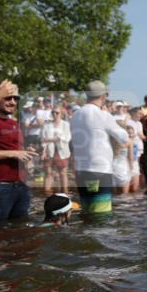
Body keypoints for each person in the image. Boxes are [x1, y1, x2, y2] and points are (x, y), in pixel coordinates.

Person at [69, 81, 127, 216]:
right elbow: (123, 137)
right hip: (100, 171)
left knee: (87, 212)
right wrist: (109, 117)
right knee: (101, 215)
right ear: (103, 96)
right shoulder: (103, 115)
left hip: (81, 171)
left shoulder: (75, 115)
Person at [0, 80, 33, 222]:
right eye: (8, 97)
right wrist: (13, 153)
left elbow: (17, 151)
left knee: (20, 230)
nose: (13, 102)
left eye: (16, 98)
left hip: (21, 186)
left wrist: (26, 152)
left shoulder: (14, 123)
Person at [40, 106, 72, 195]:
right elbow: (43, 140)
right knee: (48, 173)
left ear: (61, 114)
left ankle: (65, 193)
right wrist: (44, 150)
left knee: (63, 173)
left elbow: (67, 138)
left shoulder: (66, 124)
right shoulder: (47, 126)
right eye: (53, 112)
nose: (54, 114)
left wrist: (52, 139)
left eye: (57, 112)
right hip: (49, 151)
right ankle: (47, 194)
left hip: (61, 151)